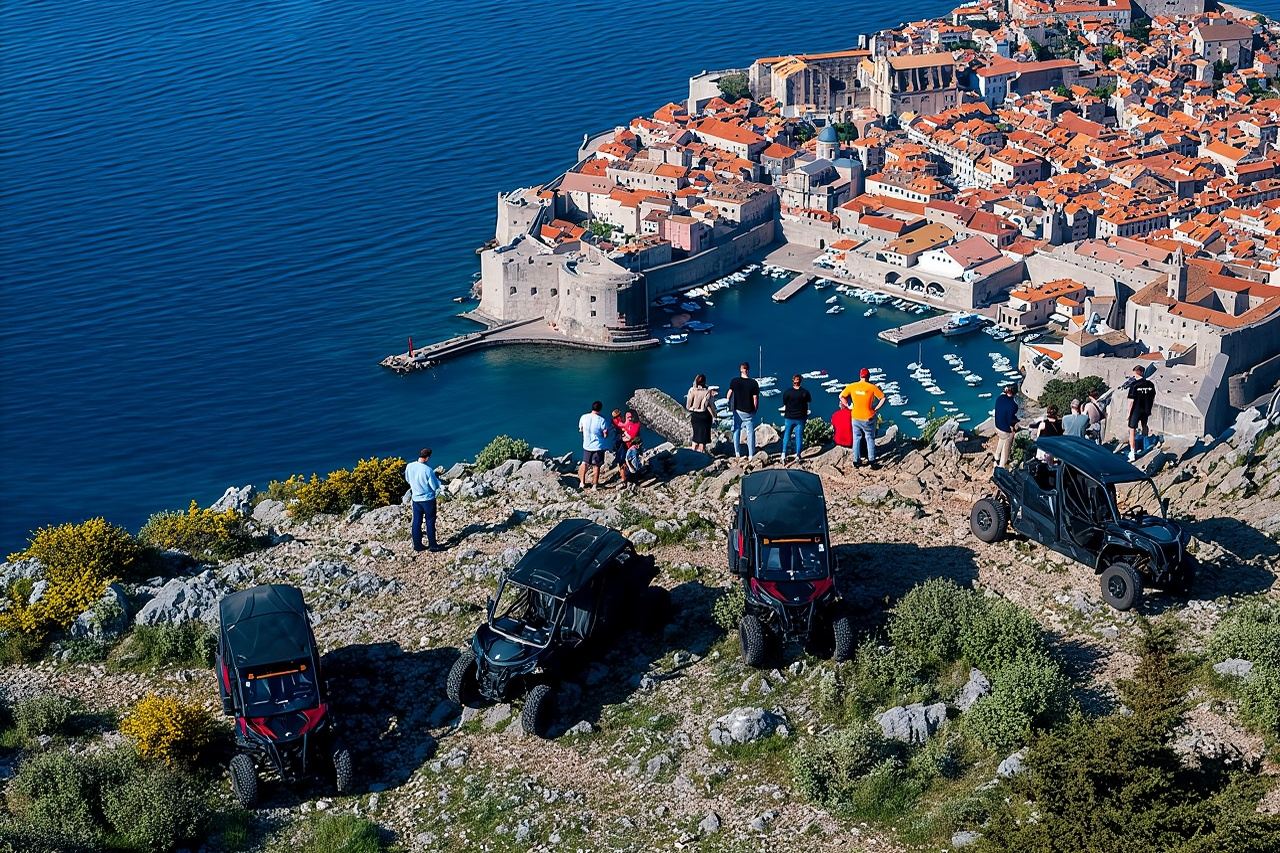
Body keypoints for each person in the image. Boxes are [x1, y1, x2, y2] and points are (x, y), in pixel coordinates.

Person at [840, 368, 885, 468]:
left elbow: (841, 396)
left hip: (855, 416)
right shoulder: (872, 387)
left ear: (860, 376)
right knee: (869, 438)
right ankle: (872, 461)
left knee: (856, 438)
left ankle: (856, 461)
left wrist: (848, 405)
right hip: (868, 417)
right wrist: (876, 408)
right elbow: (883, 398)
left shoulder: (852, 386)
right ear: (868, 376)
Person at [405, 448, 443, 553]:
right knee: (430, 521)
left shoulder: (409, 466)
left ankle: (417, 545)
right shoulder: (428, 470)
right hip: (428, 499)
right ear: (427, 458)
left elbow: (408, 480)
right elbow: (434, 486)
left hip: (416, 499)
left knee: (416, 521)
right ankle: (433, 545)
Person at [726, 362, 760, 460]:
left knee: (736, 430)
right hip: (748, 411)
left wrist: (728, 403)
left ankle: (737, 452)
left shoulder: (734, 381)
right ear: (748, 370)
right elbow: (755, 399)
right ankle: (751, 454)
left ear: (740, 369)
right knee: (750, 432)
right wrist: (755, 410)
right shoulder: (753, 383)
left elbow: (729, 394)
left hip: (737, 410)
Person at [1127, 365, 1156, 462]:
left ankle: (1132, 452)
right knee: (1144, 426)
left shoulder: (1134, 385)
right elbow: (1152, 397)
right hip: (1146, 409)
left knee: (1132, 430)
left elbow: (1131, 401)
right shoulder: (1150, 384)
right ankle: (1145, 446)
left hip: (1136, 410)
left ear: (1137, 373)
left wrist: (1128, 413)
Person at [780, 374, 812, 465]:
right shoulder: (805, 392)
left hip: (789, 417)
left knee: (787, 435)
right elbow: (808, 402)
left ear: (792, 381)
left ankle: (783, 454)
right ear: (801, 381)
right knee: (799, 436)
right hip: (800, 418)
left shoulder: (787, 392)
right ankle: (798, 455)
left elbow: (785, 403)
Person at [578, 401, 609, 490]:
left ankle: (582, 483)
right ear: (600, 409)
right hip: (598, 446)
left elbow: (581, 429)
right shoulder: (602, 420)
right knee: (596, 465)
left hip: (587, 445)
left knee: (584, 463)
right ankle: (594, 485)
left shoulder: (583, 417)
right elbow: (605, 434)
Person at [685, 374, 715, 453]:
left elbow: (688, 406)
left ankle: (693, 454)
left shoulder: (692, 391)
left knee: (696, 437)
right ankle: (701, 455)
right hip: (705, 417)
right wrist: (714, 415)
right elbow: (708, 406)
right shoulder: (707, 393)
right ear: (705, 382)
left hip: (695, 416)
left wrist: (694, 409)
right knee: (703, 439)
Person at [993, 384, 1019, 469]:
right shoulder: (1013, 405)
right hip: (1004, 430)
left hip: (997, 426)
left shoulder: (999, 398)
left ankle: (997, 456)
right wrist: (1015, 424)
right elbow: (1011, 419)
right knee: (1007, 442)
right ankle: (1002, 464)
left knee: (1002, 438)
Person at [616, 410, 642, 489]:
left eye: (630, 417)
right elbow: (623, 432)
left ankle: (634, 480)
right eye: (627, 417)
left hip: (632, 447)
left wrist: (625, 435)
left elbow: (632, 436)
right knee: (622, 462)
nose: (629, 418)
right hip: (625, 446)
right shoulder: (627, 424)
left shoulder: (636, 425)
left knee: (633, 463)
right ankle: (624, 480)